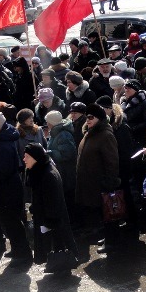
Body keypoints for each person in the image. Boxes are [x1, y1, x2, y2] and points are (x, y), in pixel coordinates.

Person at [0, 112, 33, 265]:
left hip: (7, 191)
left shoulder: (3, 145)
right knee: (10, 223)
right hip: (6, 190)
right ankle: (17, 250)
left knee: (13, 223)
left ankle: (23, 254)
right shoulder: (2, 140)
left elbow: (1, 171)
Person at [23, 143, 78, 269]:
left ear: (36, 158)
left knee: (58, 245)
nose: (24, 159)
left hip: (53, 221)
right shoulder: (39, 171)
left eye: (27, 156)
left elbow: (53, 203)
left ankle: (61, 268)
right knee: (55, 245)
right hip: (49, 219)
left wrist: (49, 223)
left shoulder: (48, 175)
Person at [76, 104, 121, 253]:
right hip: (91, 182)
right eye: (86, 117)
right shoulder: (90, 133)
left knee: (108, 213)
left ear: (99, 118)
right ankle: (108, 237)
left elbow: (112, 161)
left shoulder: (105, 135)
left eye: (91, 117)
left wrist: (109, 182)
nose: (87, 120)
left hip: (102, 183)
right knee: (102, 213)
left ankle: (113, 241)